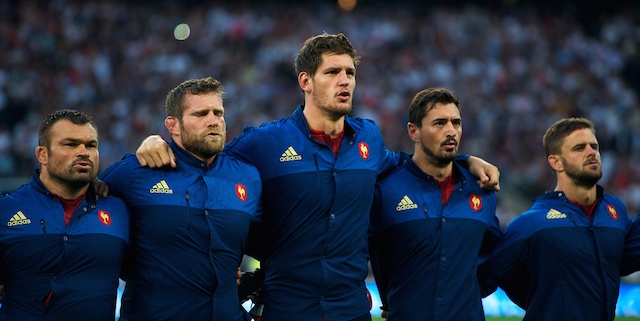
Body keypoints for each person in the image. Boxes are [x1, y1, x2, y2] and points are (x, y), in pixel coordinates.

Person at [136, 33, 500, 321]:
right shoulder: (264, 143)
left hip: (351, 310)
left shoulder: (369, 139)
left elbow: (411, 163)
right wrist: (159, 140)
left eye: (350, 73)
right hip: (287, 308)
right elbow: (204, 162)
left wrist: (465, 160)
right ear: (306, 81)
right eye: (332, 72)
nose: (345, 81)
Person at [98, 77, 262, 321]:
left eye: (218, 112)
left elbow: (274, 243)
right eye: (200, 114)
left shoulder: (249, 177)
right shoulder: (133, 174)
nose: (213, 121)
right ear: (173, 125)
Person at [478, 117, 634, 321]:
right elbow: (485, 276)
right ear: (556, 161)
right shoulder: (533, 223)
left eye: (594, 146)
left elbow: (626, 255)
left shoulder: (616, 212)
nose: (591, 152)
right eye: (579, 148)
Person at [368, 87, 502, 320]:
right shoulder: (385, 189)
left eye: (456, 123)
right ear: (414, 131)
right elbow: (369, 250)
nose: (451, 131)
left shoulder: (481, 189)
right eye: (439, 123)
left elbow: (494, 253)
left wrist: (467, 291)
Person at [0, 109, 129, 320]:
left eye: (91, 145)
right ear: (42, 154)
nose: (83, 152)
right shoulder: (5, 210)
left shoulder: (121, 211)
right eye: (70, 144)